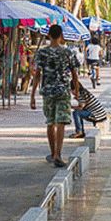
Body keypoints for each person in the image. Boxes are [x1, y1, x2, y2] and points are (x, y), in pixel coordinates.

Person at [30, 24, 80, 168]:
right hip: (63, 91)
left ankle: (53, 154)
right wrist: (76, 91)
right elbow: (74, 74)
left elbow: (37, 75)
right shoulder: (68, 53)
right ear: (61, 36)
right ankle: (58, 154)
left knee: (50, 122)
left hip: (48, 91)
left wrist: (32, 96)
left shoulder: (42, 53)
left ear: (49, 35)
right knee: (61, 123)